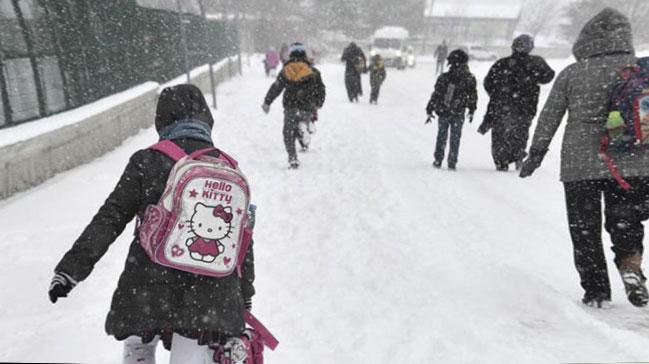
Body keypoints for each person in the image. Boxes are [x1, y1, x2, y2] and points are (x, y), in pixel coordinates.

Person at [48, 84, 256, 363]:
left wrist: (71, 270)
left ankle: (139, 351)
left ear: (162, 119)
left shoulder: (147, 161)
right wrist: (244, 294)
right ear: (206, 118)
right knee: (193, 350)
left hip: (148, 283)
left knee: (139, 343)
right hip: (210, 292)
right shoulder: (227, 168)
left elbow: (111, 217)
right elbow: (241, 239)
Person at [519, 8, 649, 308]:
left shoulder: (573, 73)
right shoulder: (639, 69)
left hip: (581, 164)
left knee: (585, 229)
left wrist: (536, 153)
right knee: (625, 222)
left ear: (586, 40)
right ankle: (630, 268)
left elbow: (549, 117)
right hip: (631, 162)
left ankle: (596, 290)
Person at [481, 34, 554, 171]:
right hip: (525, 107)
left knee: (501, 134)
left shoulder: (503, 63)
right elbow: (548, 76)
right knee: (519, 133)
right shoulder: (535, 62)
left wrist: (498, 94)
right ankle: (517, 156)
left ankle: (501, 160)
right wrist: (533, 79)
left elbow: (488, 82)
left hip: (503, 107)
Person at [262, 42, 326, 169]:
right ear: (304, 54)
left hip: (290, 105)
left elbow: (276, 87)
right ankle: (305, 128)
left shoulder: (286, 70)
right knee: (302, 122)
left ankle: (293, 158)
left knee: (288, 132)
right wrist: (319, 103)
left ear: (291, 54)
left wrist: (267, 102)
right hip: (307, 106)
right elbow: (321, 89)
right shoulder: (313, 71)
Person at [425, 49, 477, 170]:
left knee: (442, 135)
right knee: (456, 137)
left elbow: (436, 94)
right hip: (459, 112)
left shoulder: (444, 77)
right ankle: (452, 161)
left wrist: (430, 109)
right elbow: (473, 96)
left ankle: (438, 159)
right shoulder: (469, 78)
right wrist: (472, 109)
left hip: (444, 111)